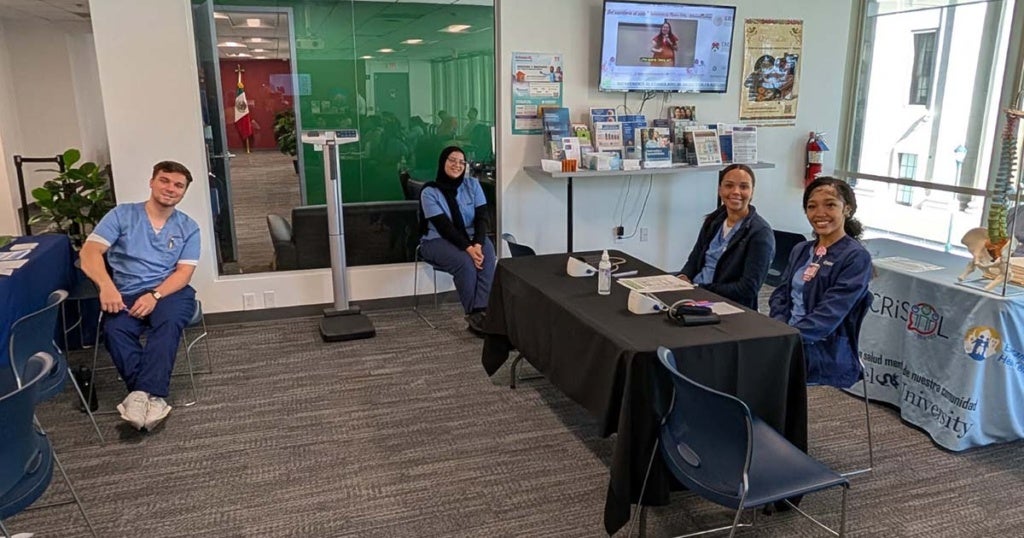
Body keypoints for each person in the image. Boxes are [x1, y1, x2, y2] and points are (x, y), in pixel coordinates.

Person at [79, 161, 201, 432]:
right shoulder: (122, 215)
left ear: (183, 192)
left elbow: (184, 273)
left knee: (168, 323)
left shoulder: (188, 227)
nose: (170, 188)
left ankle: (140, 395)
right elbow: (89, 252)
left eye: (178, 185)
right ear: (152, 182)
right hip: (125, 292)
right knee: (115, 330)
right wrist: (106, 286)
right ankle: (151, 397)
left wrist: (155, 295)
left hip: (170, 291)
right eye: (164, 180)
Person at [769, 176, 872, 388]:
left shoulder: (855, 257)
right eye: (812, 206)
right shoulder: (801, 249)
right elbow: (781, 294)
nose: (820, 213)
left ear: (847, 209)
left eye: (830, 205)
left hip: (821, 348)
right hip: (786, 337)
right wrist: (779, 327)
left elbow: (830, 314)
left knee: (749, 369)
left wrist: (789, 338)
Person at [418, 146, 495, 336]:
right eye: (452, 160)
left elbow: (482, 218)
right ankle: (474, 314)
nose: (457, 165)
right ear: (442, 162)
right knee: (465, 263)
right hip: (436, 239)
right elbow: (445, 228)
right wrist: (469, 249)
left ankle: (483, 309)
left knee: (488, 253)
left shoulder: (472, 185)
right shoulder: (429, 192)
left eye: (461, 162)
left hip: (472, 237)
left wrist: (478, 244)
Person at [677, 164, 775, 310]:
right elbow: (694, 259)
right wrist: (683, 277)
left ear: (752, 192)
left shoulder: (760, 233)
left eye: (743, 187)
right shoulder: (714, 221)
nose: (736, 192)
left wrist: (701, 288)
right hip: (695, 294)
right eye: (729, 186)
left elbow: (748, 288)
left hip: (727, 305)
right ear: (720, 189)